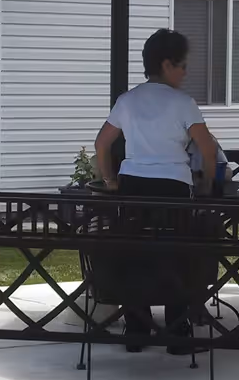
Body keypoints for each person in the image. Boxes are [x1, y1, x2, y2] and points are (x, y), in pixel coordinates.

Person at [91, 29, 219, 351]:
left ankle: (137, 329)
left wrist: (110, 182)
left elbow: (102, 143)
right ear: (166, 64)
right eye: (183, 66)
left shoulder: (128, 100)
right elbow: (207, 148)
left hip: (132, 185)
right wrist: (205, 184)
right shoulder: (183, 103)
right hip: (173, 186)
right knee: (177, 255)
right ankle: (178, 331)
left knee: (135, 253)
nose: (186, 72)